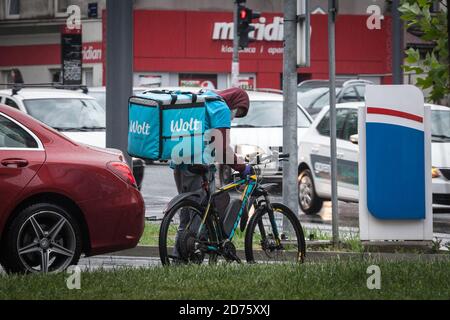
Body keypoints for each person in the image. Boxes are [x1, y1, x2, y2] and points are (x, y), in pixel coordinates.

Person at [172, 87, 252, 259]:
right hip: (200, 167)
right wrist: (242, 167)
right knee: (199, 218)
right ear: (235, 103)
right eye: (238, 110)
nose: (234, 115)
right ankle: (191, 259)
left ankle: (178, 258)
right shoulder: (221, 108)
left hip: (179, 163)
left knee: (187, 216)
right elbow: (222, 149)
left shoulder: (204, 100)